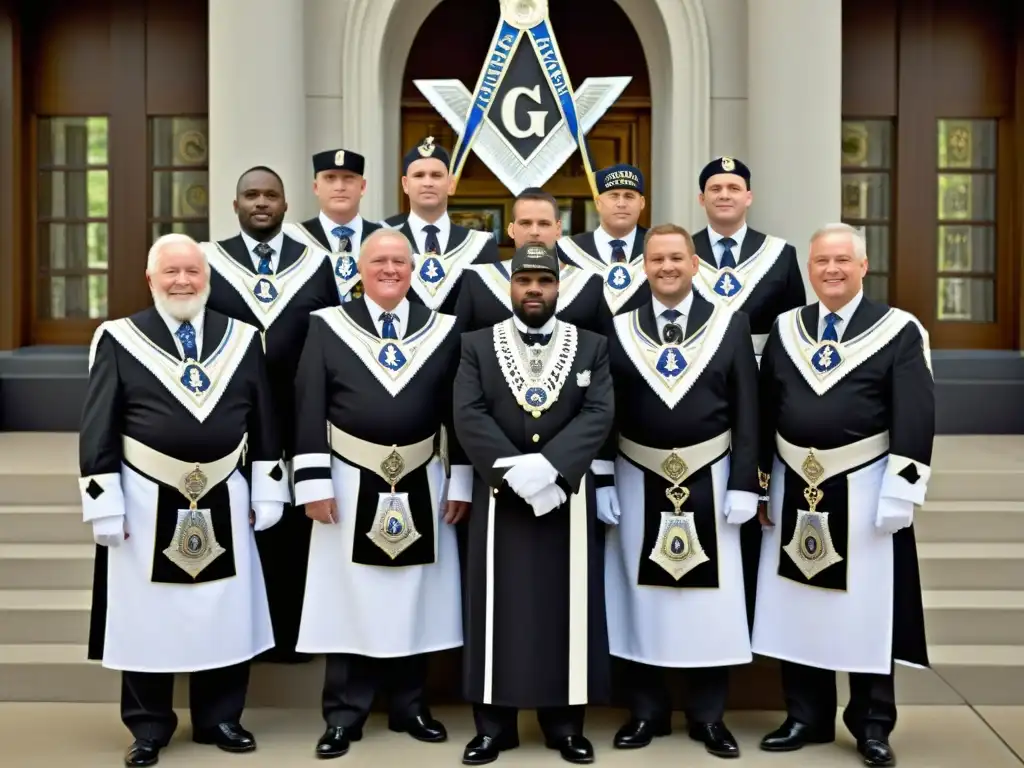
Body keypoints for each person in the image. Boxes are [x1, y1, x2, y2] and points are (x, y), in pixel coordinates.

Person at [79, 234, 290, 767]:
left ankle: (221, 717)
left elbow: (265, 418)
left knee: (224, 611)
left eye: (192, 272)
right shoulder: (120, 339)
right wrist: (104, 503)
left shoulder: (243, 338)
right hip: (145, 498)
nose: (182, 282)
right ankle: (149, 727)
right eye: (170, 272)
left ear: (207, 279)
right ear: (150, 280)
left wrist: (268, 486)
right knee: (148, 616)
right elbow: (98, 425)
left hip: (225, 491)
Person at [753, 223, 934, 767]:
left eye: (841, 260)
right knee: (798, 608)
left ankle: (872, 723)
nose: (831, 270)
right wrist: (760, 484)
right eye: (821, 262)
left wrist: (902, 491)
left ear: (863, 265)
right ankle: (805, 716)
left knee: (866, 611)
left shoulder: (898, 330)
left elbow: (917, 412)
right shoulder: (787, 328)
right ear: (809, 270)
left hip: (865, 485)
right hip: (791, 484)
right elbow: (766, 409)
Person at [291, 228, 470, 759]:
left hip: (421, 475)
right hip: (348, 480)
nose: (390, 269)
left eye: (399, 261)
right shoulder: (327, 326)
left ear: (412, 270)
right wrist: (313, 483)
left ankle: (411, 707)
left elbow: (455, 413)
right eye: (379, 261)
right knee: (352, 597)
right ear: (360, 270)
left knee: (414, 595)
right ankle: (344, 716)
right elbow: (308, 406)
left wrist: (459, 478)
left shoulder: (443, 329)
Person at [454, 244, 615, 765]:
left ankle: (565, 726)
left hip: (566, 492)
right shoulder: (477, 344)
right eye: (524, 281)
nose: (534, 290)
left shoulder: (591, 345)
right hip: (499, 496)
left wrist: (550, 467)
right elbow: (468, 413)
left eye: (543, 282)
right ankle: (492, 728)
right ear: (510, 287)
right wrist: (515, 471)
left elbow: (599, 413)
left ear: (557, 287)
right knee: (494, 607)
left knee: (565, 609)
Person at [603, 224, 759, 758]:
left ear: (696, 264)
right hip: (636, 473)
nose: (666, 267)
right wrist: (602, 476)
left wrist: (746, 482)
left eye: (676, 257)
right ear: (643, 266)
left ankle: (708, 717)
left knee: (708, 604)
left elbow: (748, 409)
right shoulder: (620, 328)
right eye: (656, 259)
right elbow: (604, 410)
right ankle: (645, 714)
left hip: (712, 478)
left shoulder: (729, 325)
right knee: (640, 598)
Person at [202, 165, 339, 664]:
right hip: (227, 417)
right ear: (235, 204)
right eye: (251, 195)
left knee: (294, 523)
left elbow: (332, 340)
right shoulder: (208, 262)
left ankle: (290, 635)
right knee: (240, 517)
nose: (261, 202)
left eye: (271, 195)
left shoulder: (316, 264)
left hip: (297, 413)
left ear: (286, 205)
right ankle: (237, 634)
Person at [691, 155, 808, 631]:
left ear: (748, 197)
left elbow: (793, 327)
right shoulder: (681, 251)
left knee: (760, 493)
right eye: (715, 187)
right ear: (701, 198)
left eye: (733, 187)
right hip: (696, 394)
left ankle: (757, 614)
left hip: (761, 390)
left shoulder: (779, 254)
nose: (724, 194)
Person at [455, 188, 602, 334]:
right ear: (511, 230)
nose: (534, 232)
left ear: (558, 229)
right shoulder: (477, 279)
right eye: (525, 223)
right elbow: (459, 346)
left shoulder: (590, 282)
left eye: (544, 224)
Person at [383, 137, 500, 312]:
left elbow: (487, 313)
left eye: (436, 175)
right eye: (419, 175)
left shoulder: (480, 245)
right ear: (406, 185)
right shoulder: (381, 238)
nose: (428, 183)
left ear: (451, 184)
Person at [283, 148, 384, 302]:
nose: (340, 187)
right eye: (330, 178)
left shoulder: (382, 237)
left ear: (362, 187)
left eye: (348, 178)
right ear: (316, 187)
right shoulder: (295, 238)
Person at [557, 164, 651, 325]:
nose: (621, 203)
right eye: (614, 196)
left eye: (629, 196)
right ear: (598, 202)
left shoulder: (659, 248)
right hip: (586, 346)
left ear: (641, 203)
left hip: (642, 347)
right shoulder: (568, 251)